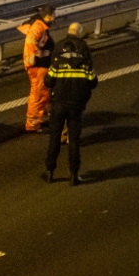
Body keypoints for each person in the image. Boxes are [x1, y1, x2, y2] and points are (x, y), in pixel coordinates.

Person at [42, 22, 97, 186]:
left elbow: (48, 81)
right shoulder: (84, 62)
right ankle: (74, 174)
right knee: (74, 140)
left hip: (58, 103)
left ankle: (50, 172)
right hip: (77, 103)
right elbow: (93, 82)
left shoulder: (58, 59)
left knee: (54, 138)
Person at [18, 5, 55, 132]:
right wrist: (42, 54)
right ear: (48, 16)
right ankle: (33, 124)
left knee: (43, 94)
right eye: (53, 15)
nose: (55, 17)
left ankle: (40, 119)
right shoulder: (38, 26)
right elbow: (31, 42)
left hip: (40, 65)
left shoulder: (40, 24)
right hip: (38, 65)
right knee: (38, 94)